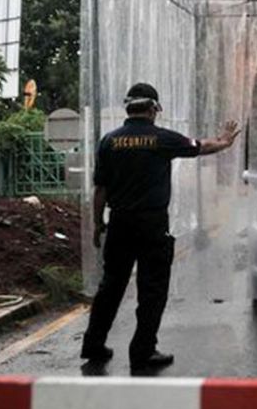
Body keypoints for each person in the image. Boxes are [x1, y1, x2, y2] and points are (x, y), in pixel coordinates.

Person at [81, 82, 240, 371]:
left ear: (128, 108)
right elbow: (200, 146)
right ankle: (142, 351)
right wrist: (224, 141)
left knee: (110, 286)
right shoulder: (161, 138)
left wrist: (96, 224)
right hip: (152, 225)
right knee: (152, 289)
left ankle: (93, 344)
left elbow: (100, 190)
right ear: (153, 109)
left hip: (119, 223)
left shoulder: (109, 141)